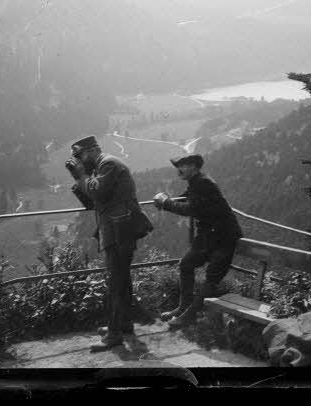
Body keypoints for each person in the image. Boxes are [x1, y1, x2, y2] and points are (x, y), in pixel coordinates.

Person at [66, 135, 150, 352]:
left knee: (115, 282)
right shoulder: (100, 168)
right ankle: (124, 324)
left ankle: (114, 335)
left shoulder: (109, 164)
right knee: (121, 279)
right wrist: (78, 178)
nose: (79, 162)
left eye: (80, 157)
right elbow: (92, 201)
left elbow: (96, 191)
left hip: (120, 230)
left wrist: (82, 175)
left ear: (93, 151)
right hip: (116, 229)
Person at [152, 154, 244, 329]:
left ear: (194, 167)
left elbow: (191, 209)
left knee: (212, 277)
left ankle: (189, 315)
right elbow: (187, 199)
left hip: (224, 236)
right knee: (186, 264)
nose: (179, 170)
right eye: (177, 166)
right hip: (209, 236)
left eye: (182, 166)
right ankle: (183, 308)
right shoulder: (197, 182)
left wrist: (166, 203)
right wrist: (165, 200)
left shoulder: (203, 183)